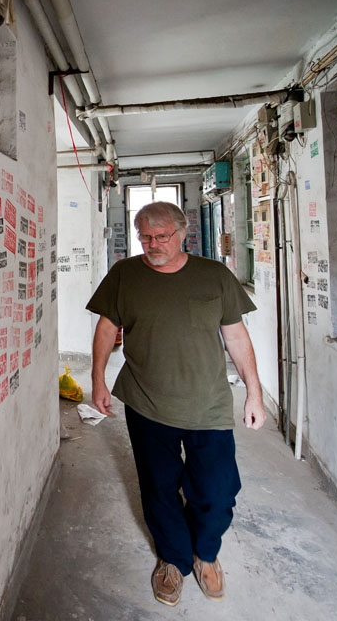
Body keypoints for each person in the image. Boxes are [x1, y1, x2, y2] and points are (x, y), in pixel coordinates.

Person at [86, 201, 266, 607]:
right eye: (145, 237)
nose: (152, 244)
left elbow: (236, 337)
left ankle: (207, 554)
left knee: (217, 491)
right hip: (147, 403)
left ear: (182, 233)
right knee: (159, 488)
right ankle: (173, 559)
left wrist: (253, 392)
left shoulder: (214, 276)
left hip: (209, 405)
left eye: (161, 236)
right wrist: (97, 379)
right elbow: (106, 327)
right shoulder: (125, 275)